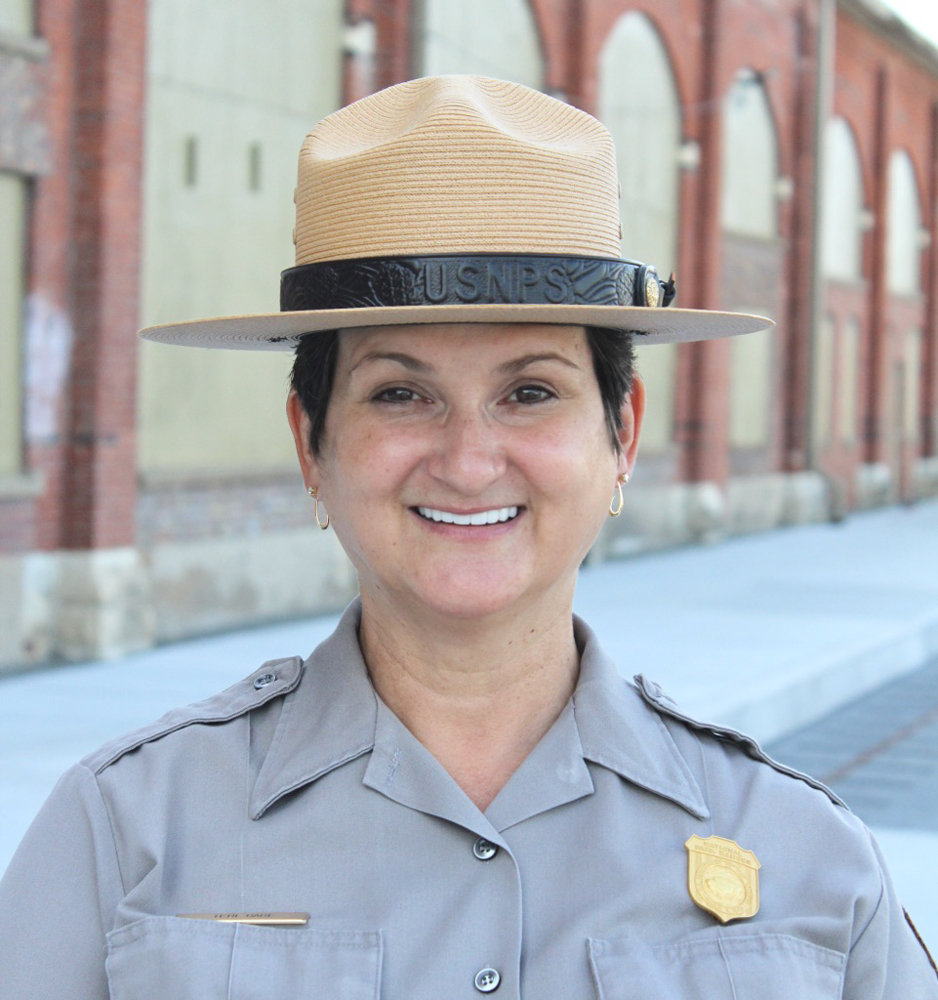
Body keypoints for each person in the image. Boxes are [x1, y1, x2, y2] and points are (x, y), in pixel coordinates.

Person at [0, 75, 934, 1000]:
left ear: (623, 435)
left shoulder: (807, 862)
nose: (469, 459)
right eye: (400, 393)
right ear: (310, 442)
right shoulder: (125, 836)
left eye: (530, 391)